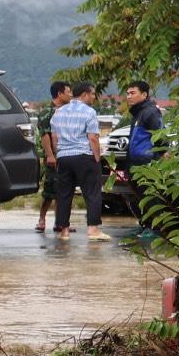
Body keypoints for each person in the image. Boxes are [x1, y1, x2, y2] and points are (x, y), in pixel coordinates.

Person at [50, 82, 107, 241]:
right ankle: (93, 229)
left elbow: (54, 138)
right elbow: (93, 138)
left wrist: (59, 154)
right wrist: (97, 158)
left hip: (64, 157)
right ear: (84, 94)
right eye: (93, 94)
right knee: (92, 193)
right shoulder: (89, 112)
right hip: (83, 156)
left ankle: (64, 231)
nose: (94, 97)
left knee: (64, 194)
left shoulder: (58, 112)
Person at [122, 80, 164, 233]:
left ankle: (156, 229)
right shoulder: (138, 113)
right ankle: (145, 225)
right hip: (134, 164)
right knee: (137, 197)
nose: (129, 96)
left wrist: (164, 153)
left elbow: (159, 135)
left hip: (147, 164)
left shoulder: (151, 111)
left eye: (133, 93)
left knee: (151, 197)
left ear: (144, 94)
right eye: (127, 93)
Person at [35, 81, 71, 234]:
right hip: (54, 157)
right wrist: (50, 155)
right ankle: (42, 219)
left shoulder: (68, 111)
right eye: (68, 92)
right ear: (59, 94)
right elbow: (45, 135)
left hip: (67, 155)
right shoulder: (47, 113)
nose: (70, 95)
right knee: (50, 191)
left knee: (64, 191)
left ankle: (60, 222)